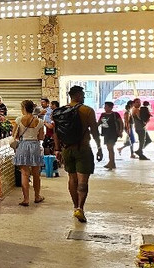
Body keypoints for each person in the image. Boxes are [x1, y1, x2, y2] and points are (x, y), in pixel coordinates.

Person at [53, 85, 102, 222]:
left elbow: (56, 132)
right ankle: (80, 208)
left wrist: (57, 149)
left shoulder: (59, 112)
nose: (84, 97)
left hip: (66, 149)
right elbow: (94, 131)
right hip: (83, 148)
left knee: (72, 178)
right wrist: (99, 147)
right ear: (79, 95)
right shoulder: (87, 111)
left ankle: (75, 207)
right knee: (83, 180)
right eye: (83, 95)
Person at [12, 100, 46, 206]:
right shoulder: (39, 121)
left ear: (24, 108)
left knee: (24, 174)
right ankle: (37, 196)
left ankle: (26, 199)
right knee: (36, 174)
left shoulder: (19, 120)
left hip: (23, 145)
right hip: (35, 146)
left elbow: (14, 135)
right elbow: (41, 137)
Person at [98, 100, 124, 170]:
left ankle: (111, 162)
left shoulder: (115, 114)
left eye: (106, 106)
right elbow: (99, 122)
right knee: (109, 148)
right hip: (105, 133)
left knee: (110, 148)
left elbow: (121, 123)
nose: (104, 108)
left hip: (113, 133)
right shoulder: (103, 114)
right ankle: (112, 163)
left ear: (110, 107)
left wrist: (121, 131)